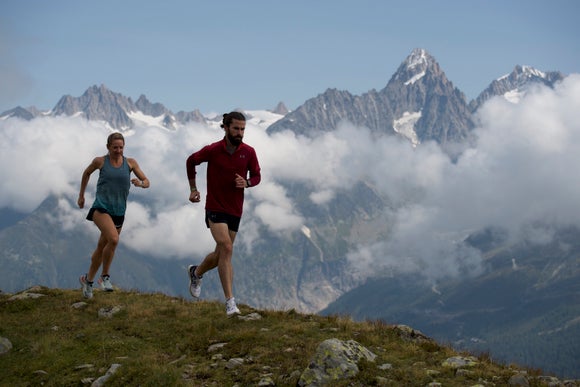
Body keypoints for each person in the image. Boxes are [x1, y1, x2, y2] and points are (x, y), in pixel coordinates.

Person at [186, 111, 261, 317]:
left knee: (221, 254)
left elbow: (256, 176)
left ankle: (196, 272)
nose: (240, 132)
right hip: (215, 207)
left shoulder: (249, 152)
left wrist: (246, 182)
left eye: (243, 129)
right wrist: (193, 189)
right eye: (236, 128)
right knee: (227, 248)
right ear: (226, 127)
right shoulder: (213, 150)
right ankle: (230, 303)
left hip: (235, 210)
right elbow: (191, 161)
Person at [77, 132, 150, 299]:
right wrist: (81, 195)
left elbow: (147, 181)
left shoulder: (130, 163)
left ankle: (87, 281)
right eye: (115, 147)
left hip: (119, 212)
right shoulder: (100, 161)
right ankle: (105, 277)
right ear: (108, 147)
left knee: (102, 247)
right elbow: (86, 173)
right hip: (100, 209)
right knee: (114, 240)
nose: (118, 150)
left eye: (121, 147)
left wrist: (140, 183)